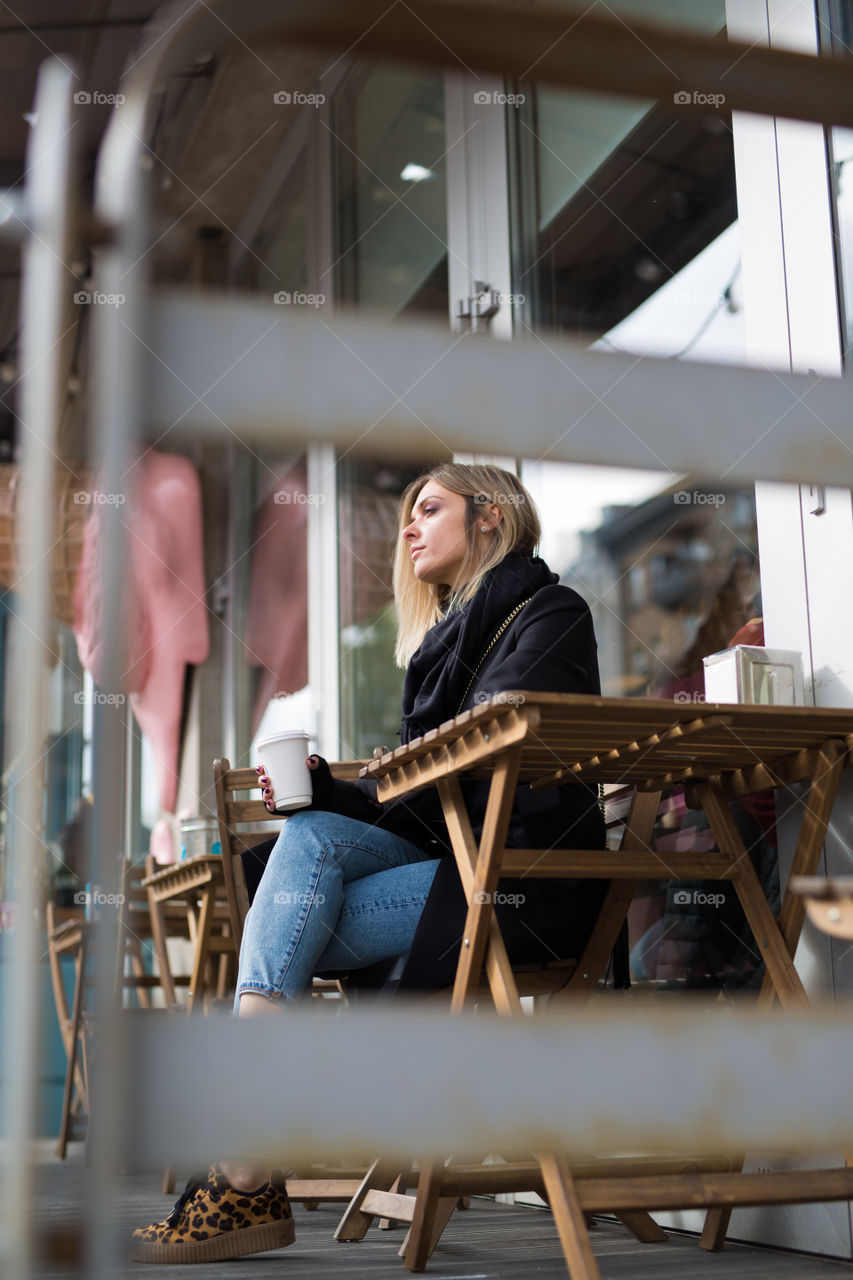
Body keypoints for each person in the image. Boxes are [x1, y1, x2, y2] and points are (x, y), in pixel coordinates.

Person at [130, 463, 607, 1265]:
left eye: (429, 509)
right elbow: (419, 811)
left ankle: (244, 1161)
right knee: (310, 831)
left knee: (295, 911)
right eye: (407, 517)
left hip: (518, 876)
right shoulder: (439, 648)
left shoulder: (550, 611)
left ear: (490, 517)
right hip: (453, 859)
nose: (409, 529)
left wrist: (409, 767)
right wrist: (328, 787)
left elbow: (502, 748)